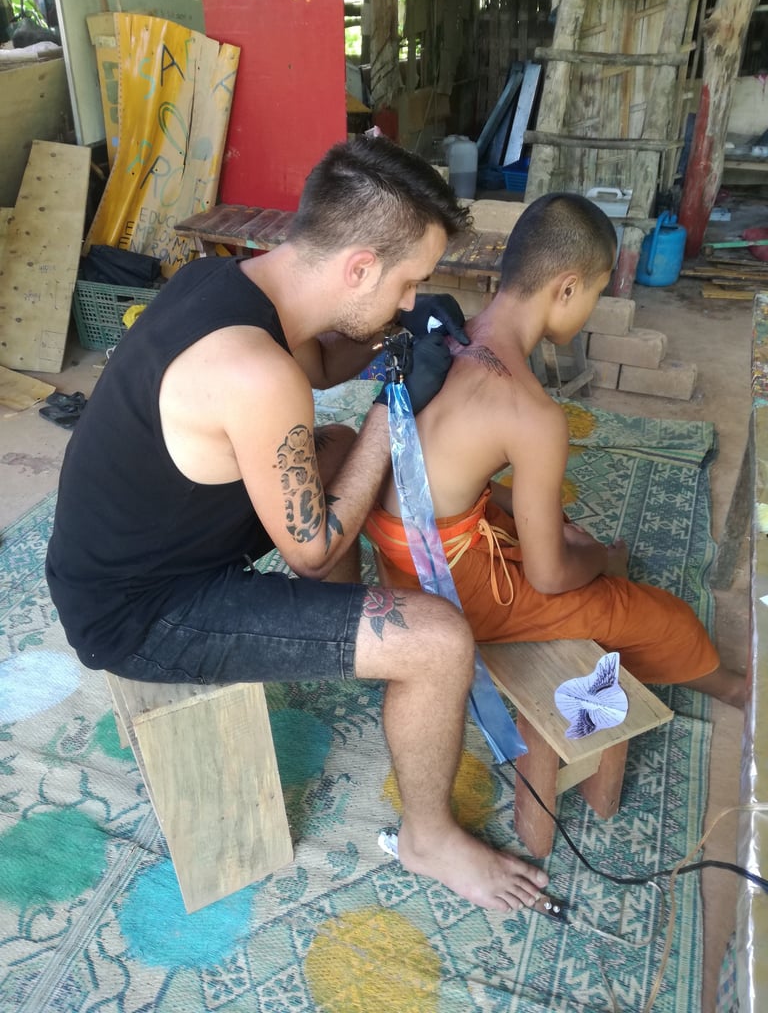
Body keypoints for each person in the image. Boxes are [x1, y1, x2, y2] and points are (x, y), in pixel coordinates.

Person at [46, 135, 549, 912]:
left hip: (147, 537)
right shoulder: (253, 374)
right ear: (359, 267)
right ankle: (429, 838)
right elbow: (312, 553)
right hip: (140, 609)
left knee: (335, 448)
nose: (411, 300)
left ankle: (339, 640)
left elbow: (320, 363)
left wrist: (392, 339)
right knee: (439, 640)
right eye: (408, 283)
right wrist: (392, 402)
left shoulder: (230, 281)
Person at [365, 192, 745, 708]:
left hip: (397, 550)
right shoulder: (533, 414)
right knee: (661, 617)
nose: (592, 308)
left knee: (545, 520)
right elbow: (547, 578)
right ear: (567, 289)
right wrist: (598, 559)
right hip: (443, 587)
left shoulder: (452, 335)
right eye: (597, 293)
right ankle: (735, 688)